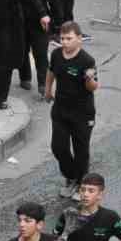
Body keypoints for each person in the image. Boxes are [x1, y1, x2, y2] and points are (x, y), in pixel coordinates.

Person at [46, 22, 98, 191]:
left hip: (82, 113)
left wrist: (89, 79)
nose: (65, 42)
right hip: (60, 109)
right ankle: (71, 176)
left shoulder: (87, 60)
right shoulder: (56, 54)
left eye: (69, 38)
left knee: (80, 150)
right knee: (58, 147)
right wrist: (48, 90)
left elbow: (93, 87)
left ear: (79, 39)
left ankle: (82, 183)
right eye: (62, 38)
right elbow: (51, 72)